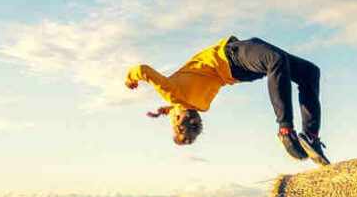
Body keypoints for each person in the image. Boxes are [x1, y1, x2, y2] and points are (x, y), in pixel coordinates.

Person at [125, 36, 329, 165]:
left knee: (309, 72)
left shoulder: (201, 106)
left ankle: (311, 135)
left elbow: (184, 104)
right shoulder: (172, 93)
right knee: (276, 61)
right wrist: (130, 80)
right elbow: (142, 70)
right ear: (178, 116)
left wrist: (166, 110)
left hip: (240, 74)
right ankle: (285, 130)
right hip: (230, 57)